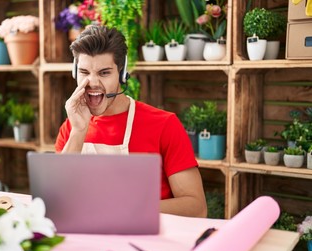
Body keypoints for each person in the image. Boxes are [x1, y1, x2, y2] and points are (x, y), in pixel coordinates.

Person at [55, 25, 207, 218]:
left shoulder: (164, 124)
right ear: (75, 72)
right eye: (84, 72)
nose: (92, 83)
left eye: (104, 73)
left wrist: (126, 208)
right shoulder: (71, 127)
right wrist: (78, 131)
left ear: (122, 72)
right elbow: (57, 200)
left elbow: (197, 208)